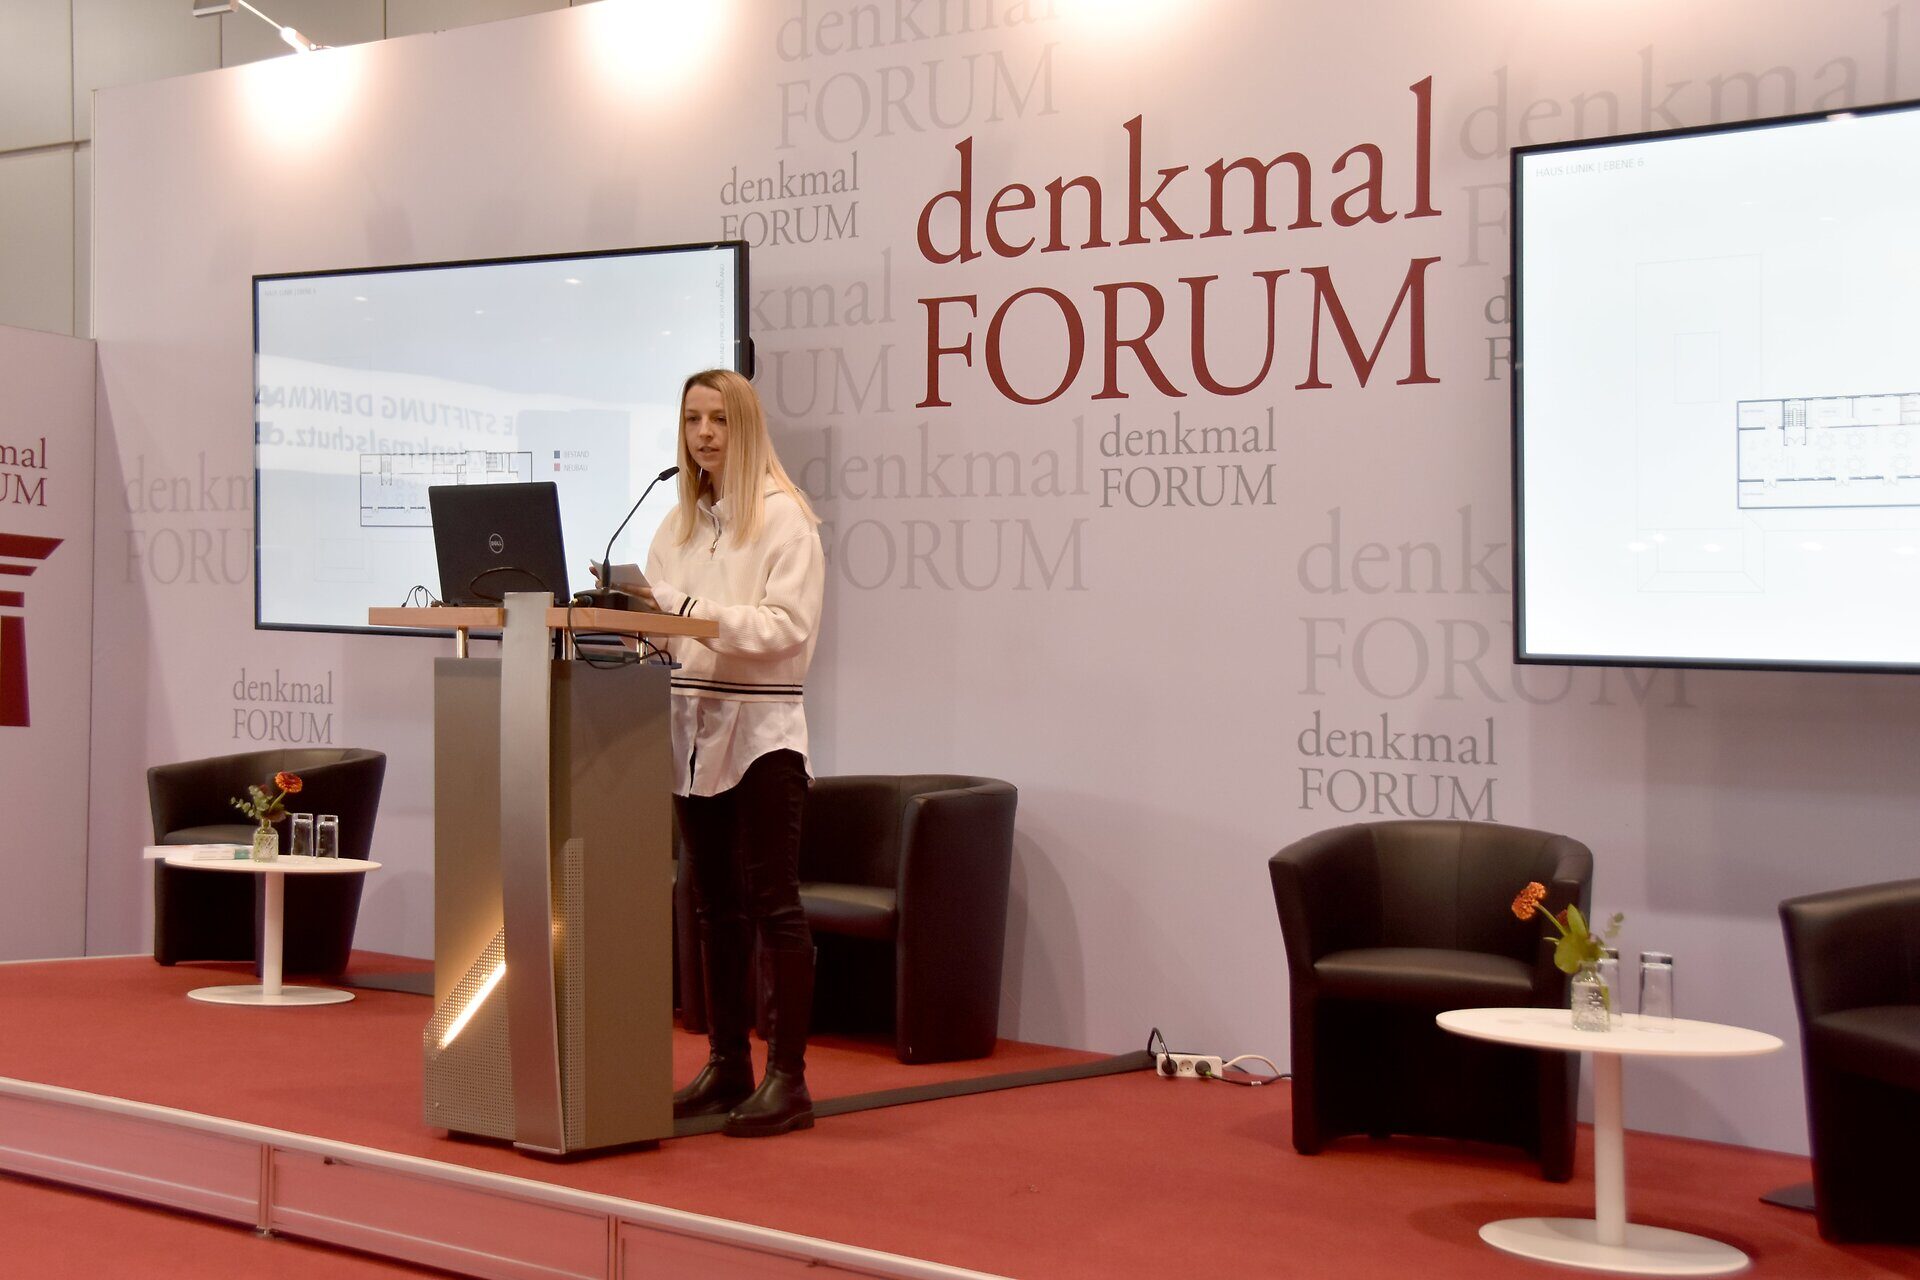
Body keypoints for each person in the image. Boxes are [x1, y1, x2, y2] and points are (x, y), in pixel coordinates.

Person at [599, 368, 825, 1137]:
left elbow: (786, 627)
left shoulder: (785, 519)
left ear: (746, 427)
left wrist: (684, 611)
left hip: (761, 735)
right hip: (689, 731)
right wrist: (627, 615)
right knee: (712, 908)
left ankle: (788, 1080)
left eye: (719, 420)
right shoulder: (678, 524)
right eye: (693, 419)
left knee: (773, 905)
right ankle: (728, 1064)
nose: (703, 434)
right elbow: (664, 625)